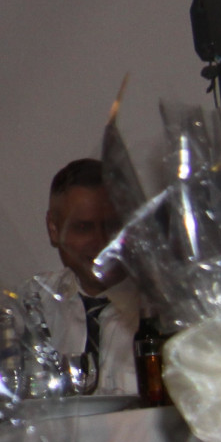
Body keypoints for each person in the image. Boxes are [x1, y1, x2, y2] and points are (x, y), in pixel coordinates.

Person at [26, 157, 140, 395]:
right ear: (53, 229)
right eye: (83, 227)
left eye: (112, 226)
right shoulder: (34, 304)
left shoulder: (162, 310)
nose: (101, 243)